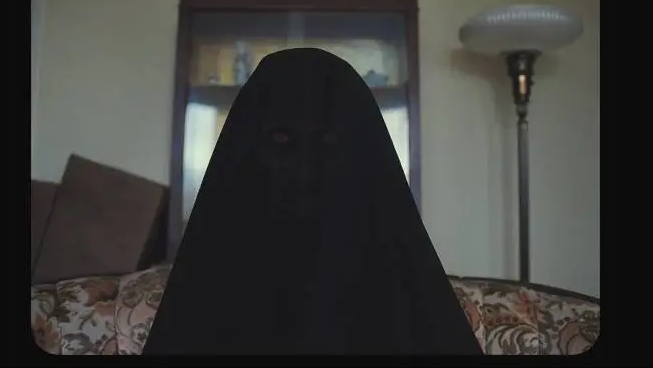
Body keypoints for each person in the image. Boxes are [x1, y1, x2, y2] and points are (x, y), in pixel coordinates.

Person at [143, 48, 484, 355]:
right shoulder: (206, 286)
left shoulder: (408, 292)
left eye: (328, 142)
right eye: (281, 140)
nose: (303, 170)